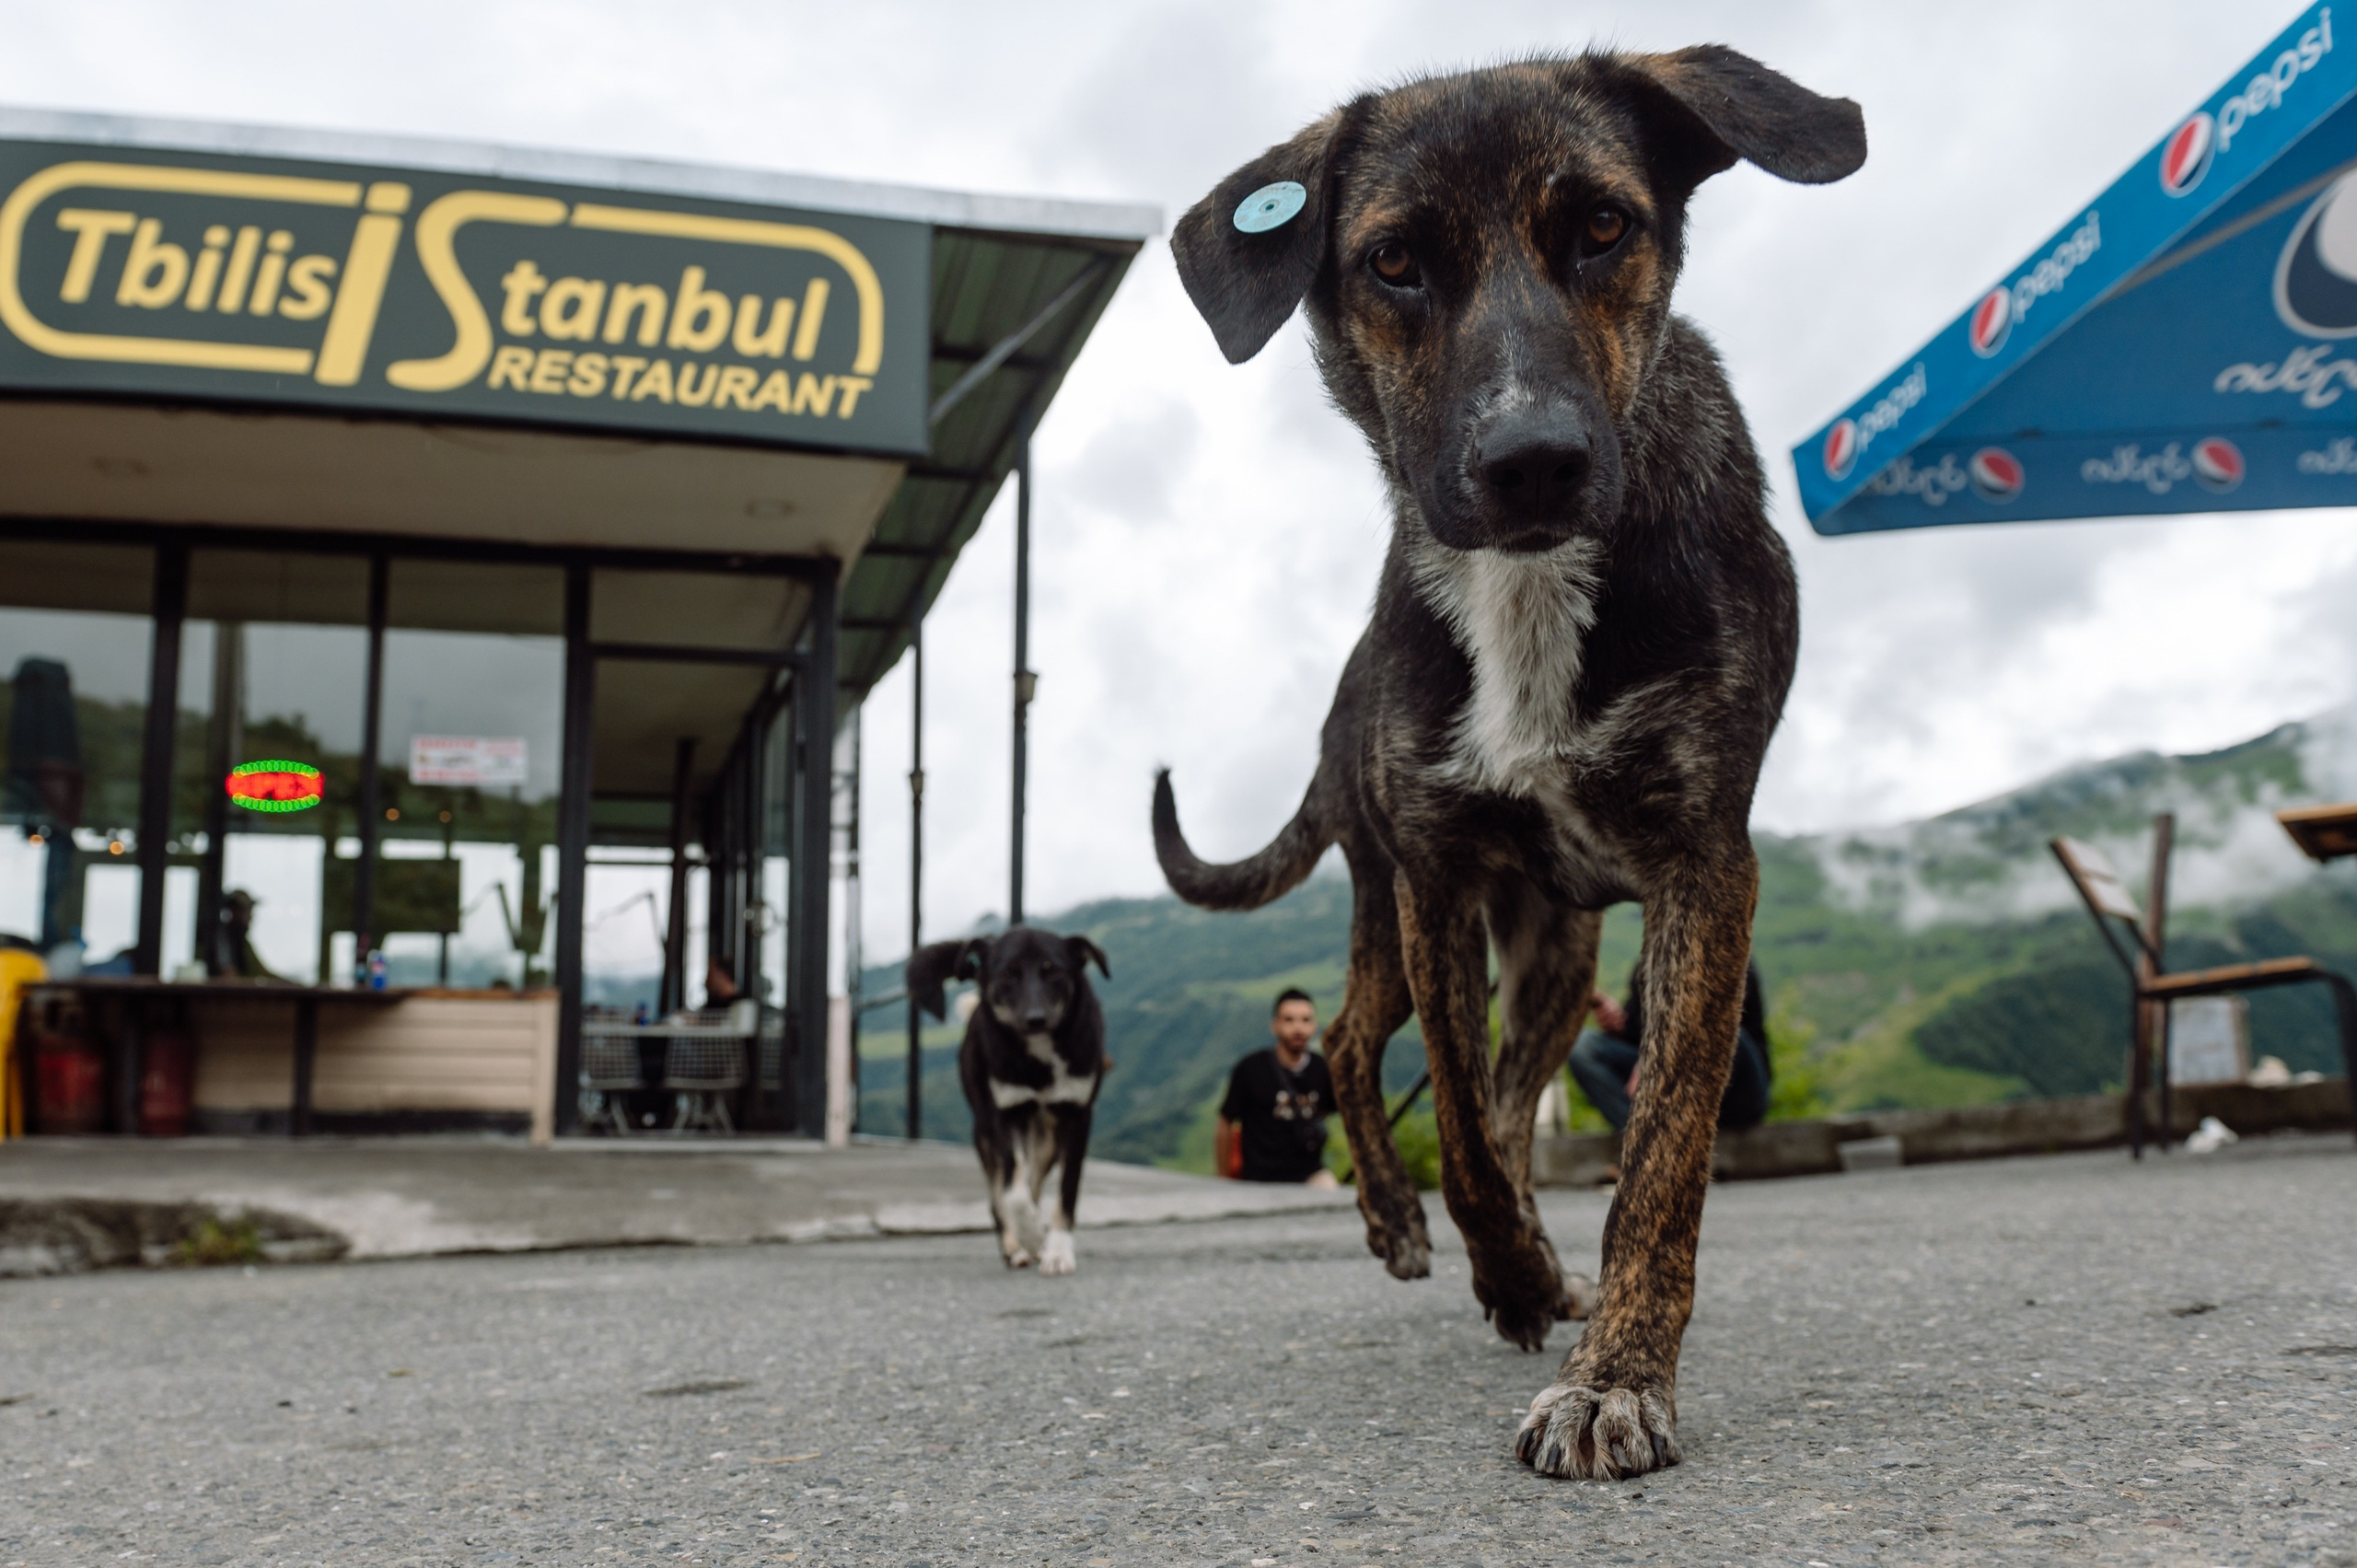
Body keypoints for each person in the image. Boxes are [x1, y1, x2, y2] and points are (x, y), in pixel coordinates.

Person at [1568, 959, 1772, 1132]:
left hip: (1738, 1093)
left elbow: (1706, 1019)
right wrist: (1618, 1026)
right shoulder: (1649, 965)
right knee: (1583, 1046)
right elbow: (1635, 1035)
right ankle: (1643, 1140)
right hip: (1667, 1089)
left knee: (1720, 1028)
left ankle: (1671, 1141)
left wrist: (1650, 1060)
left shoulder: (1729, 956)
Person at [1217, 987, 1341, 1187]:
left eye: (1305, 1020)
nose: (1298, 1028)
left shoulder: (1323, 1068)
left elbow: (1326, 1110)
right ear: (1274, 1025)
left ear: (1315, 1026)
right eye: (1289, 1020)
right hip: (1258, 1178)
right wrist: (1222, 1178)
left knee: (1331, 1192)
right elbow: (1226, 1121)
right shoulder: (1251, 1069)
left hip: (1309, 1174)